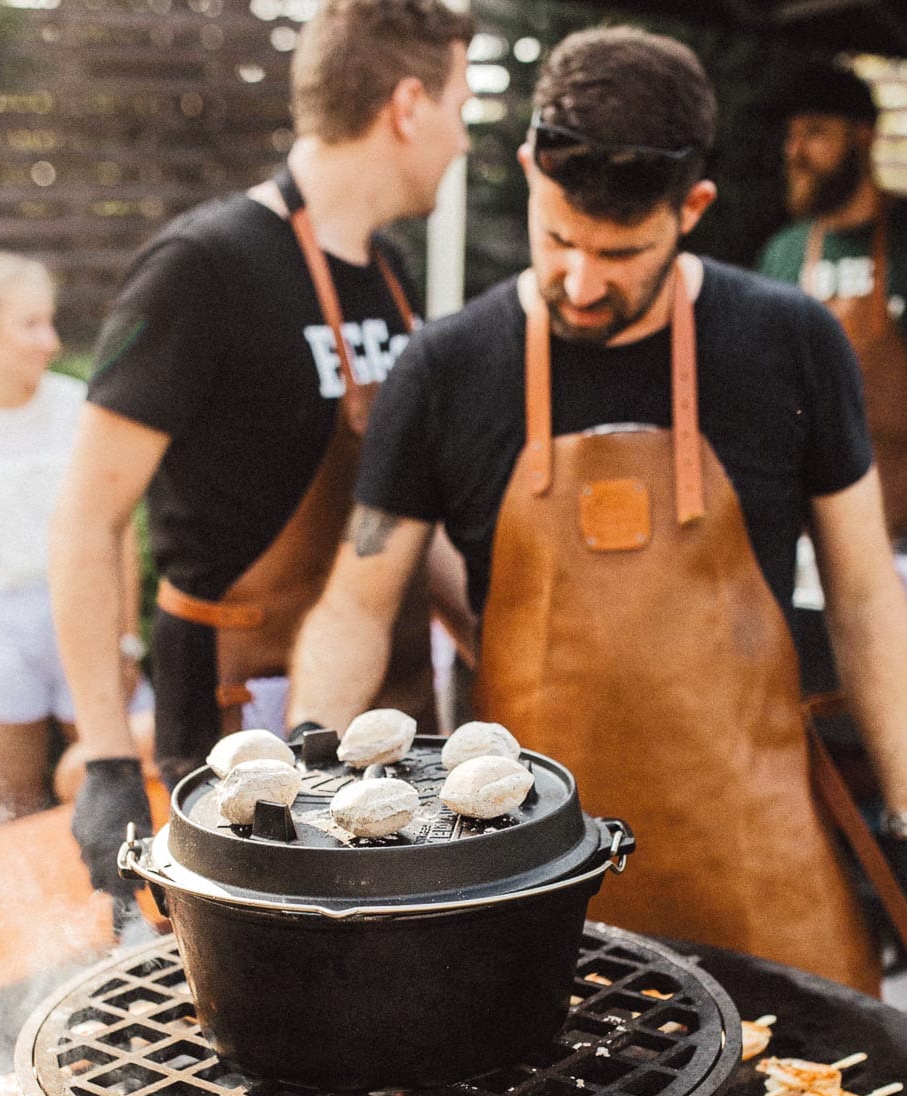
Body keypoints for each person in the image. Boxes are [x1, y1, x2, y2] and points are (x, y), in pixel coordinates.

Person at [287, 25, 907, 994]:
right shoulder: (444, 368)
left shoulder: (791, 343)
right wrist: (296, 803)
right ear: (531, 171)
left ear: (690, 207)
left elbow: (868, 597)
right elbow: (356, 606)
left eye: (619, 253)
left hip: (761, 874)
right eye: (557, 239)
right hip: (527, 893)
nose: (579, 281)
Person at [50, 0, 475, 903]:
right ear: (407, 105)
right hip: (241, 725)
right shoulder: (203, 267)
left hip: (392, 709)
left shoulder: (392, 275)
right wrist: (103, 752)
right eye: (460, 108)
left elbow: (399, 504)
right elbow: (87, 517)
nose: (464, 140)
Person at [0, 252, 141, 822]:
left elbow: (118, 532)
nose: (50, 340)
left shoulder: (78, 408)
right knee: (18, 807)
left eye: (50, 321)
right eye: (31, 324)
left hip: (85, 609)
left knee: (117, 787)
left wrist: (126, 638)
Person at [757, 60, 907, 549]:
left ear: (863, 136)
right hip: (808, 531)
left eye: (816, 133)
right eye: (791, 136)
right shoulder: (783, 252)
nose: (795, 152)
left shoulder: (903, 239)